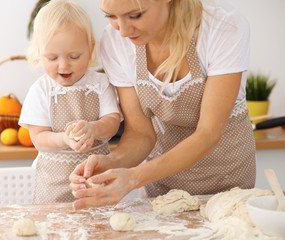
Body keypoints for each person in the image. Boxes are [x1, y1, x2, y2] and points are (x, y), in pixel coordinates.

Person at [69, 0, 256, 210]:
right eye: (110, 16)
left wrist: (134, 177)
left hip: (226, 180)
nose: (122, 31)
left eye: (136, 15)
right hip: (161, 183)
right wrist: (112, 162)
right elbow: (141, 134)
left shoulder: (222, 26)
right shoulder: (115, 41)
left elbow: (208, 134)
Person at [19, 0, 122, 204]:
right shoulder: (41, 90)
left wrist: (94, 129)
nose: (64, 65)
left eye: (74, 56)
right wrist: (65, 140)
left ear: (91, 49)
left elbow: (112, 121)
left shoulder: (101, 83)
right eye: (52, 57)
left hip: (95, 180)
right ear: (39, 52)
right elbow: (38, 137)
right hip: (53, 185)